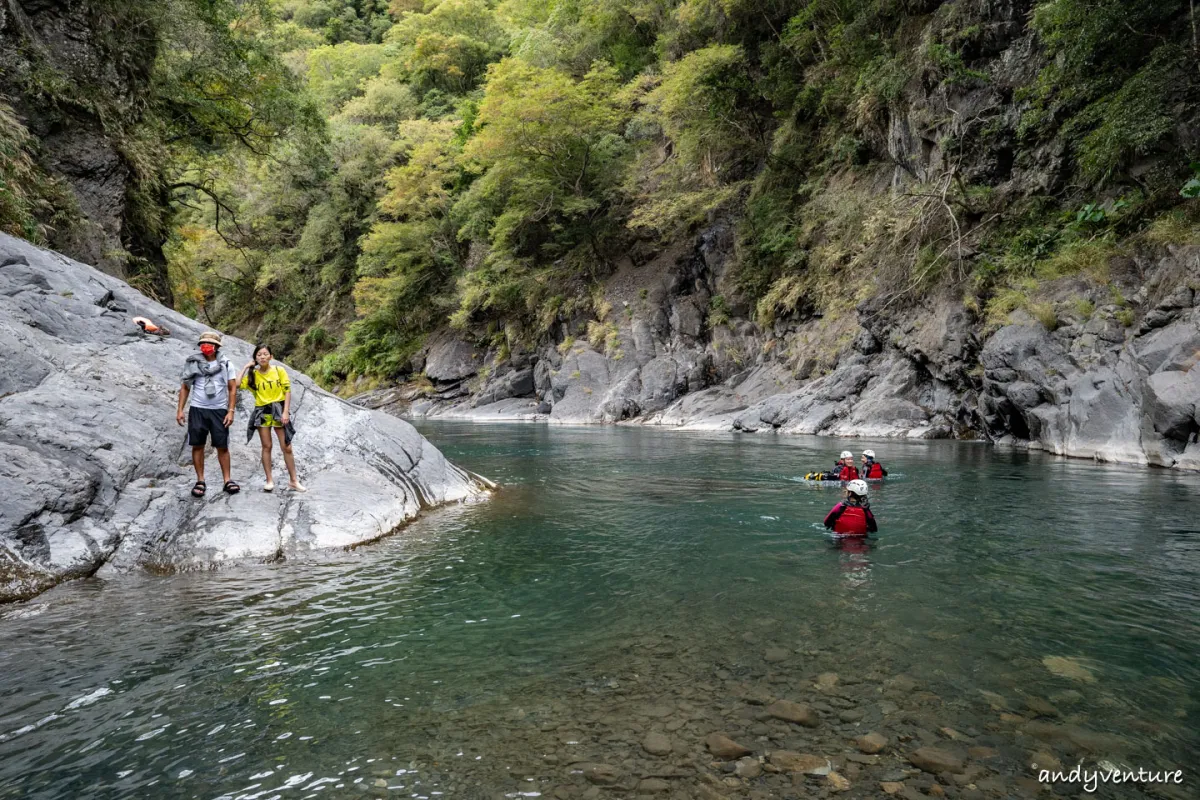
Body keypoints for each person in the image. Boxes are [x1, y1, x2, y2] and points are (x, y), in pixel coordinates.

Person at [177, 331, 239, 497]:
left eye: (209, 344)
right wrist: (180, 410)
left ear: (216, 347)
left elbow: (232, 388)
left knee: (222, 445)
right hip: (198, 409)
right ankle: (200, 480)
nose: (206, 346)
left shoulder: (226, 364)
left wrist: (231, 411)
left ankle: (227, 480)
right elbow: (185, 387)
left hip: (219, 410)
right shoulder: (192, 363)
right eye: (203, 343)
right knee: (197, 445)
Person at [239, 344, 305, 492]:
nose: (262, 356)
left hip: (278, 409)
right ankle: (269, 480)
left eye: (265, 354)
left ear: (271, 356)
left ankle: (294, 480)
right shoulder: (253, 375)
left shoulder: (279, 370)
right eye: (259, 355)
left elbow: (287, 390)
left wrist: (286, 411)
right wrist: (246, 367)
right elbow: (236, 384)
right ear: (255, 358)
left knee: (286, 446)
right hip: (262, 411)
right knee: (267, 446)